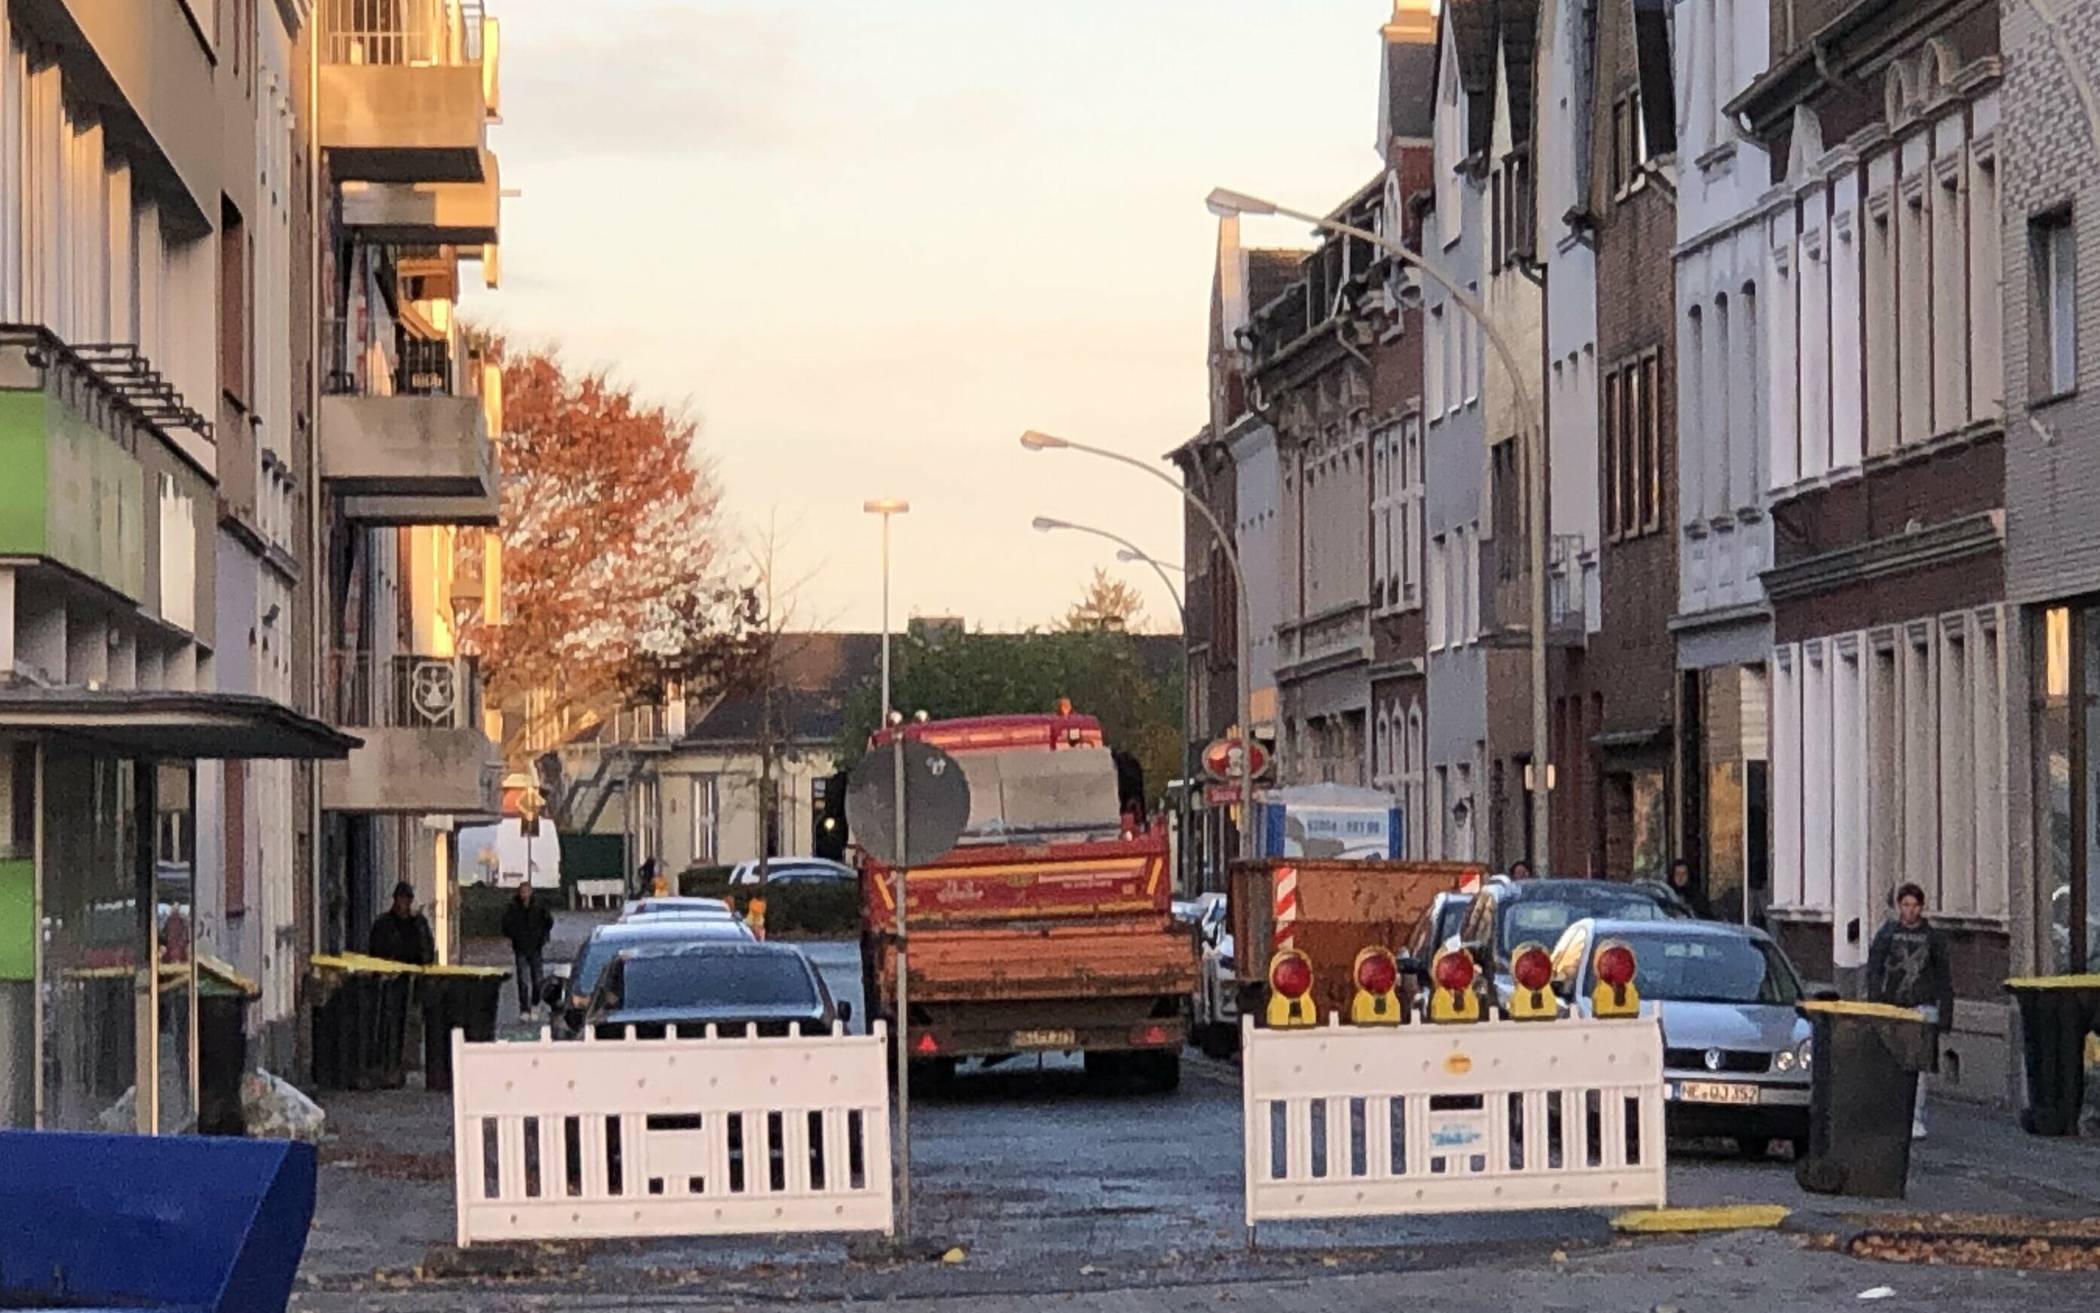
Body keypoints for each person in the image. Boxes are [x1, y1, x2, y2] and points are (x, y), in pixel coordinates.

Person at [1866, 882, 1956, 1140]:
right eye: (1906, 905)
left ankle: (1915, 1118)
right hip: (1892, 1006)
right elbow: (1875, 970)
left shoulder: (1933, 938)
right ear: (1899, 906)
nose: (1910, 911)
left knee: (1918, 1067)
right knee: (1892, 1064)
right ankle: (1894, 1115)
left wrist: (1945, 1013)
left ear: (1921, 907)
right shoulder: (1887, 934)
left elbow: (1943, 977)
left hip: (1922, 1008)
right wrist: (1876, 1004)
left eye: (1915, 905)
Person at [501, 881, 556, 1013]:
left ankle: (535, 1002)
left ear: (531, 892)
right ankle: (524, 1008)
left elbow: (549, 921)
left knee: (537, 979)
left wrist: (543, 937)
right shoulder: (513, 908)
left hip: (536, 947)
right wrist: (514, 937)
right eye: (522, 892)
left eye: (527, 891)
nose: (525, 894)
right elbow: (506, 924)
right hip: (521, 947)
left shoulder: (539, 907)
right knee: (523, 980)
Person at [368, 881, 436, 966]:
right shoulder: (383, 923)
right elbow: (376, 952)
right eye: (402, 897)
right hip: (390, 974)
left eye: (408, 897)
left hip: (416, 975)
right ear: (396, 898)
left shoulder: (419, 924)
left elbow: (428, 951)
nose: (405, 901)